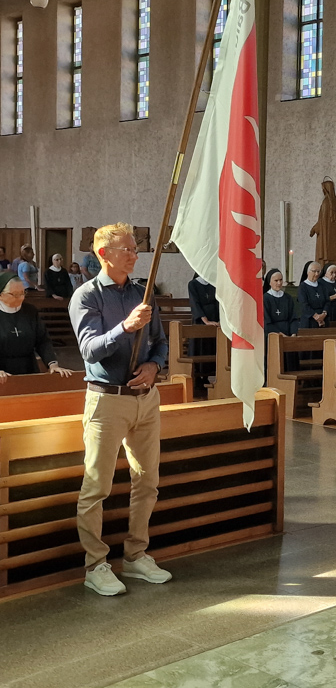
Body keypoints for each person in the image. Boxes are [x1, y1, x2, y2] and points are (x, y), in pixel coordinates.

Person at [68, 222, 171, 596]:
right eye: (126, 249)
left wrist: (154, 366)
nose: (134, 254)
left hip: (145, 399)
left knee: (147, 480)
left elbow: (160, 342)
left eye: (135, 248)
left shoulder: (144, 293)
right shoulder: (86, 296)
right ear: (103, 254)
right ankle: (95, 563)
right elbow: (90, 350)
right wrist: (125, 328)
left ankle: (135, 554)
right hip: (107, 399)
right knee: (97, 485)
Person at [0, 271, 73, 382]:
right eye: (14, 294)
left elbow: (43, 340)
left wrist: (52, 364)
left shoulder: (30, 311)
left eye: (22, 293)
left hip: (29, 369)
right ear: (1, 294)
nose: (20, 298)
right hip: (3, 374)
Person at [263, 268, 298, 372]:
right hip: (273, 335)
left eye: (281, 280)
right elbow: (267, 321)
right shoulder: (265, 298)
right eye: (276, 280)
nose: (279, 283)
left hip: (288, 335)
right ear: (269, 282)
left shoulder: (287, 298)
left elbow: (293, 318)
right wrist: (280, 334)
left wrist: (293, 334)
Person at [298, 261, 328, 329]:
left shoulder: (322, 286)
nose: (317, 274)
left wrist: (323, 314)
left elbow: (327, 301)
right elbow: (304, 304)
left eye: (318, 271)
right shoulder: (303, 287)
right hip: (309, 321)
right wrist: (316, 316)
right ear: (308, 272)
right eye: (314, 271)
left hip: (323, 320)